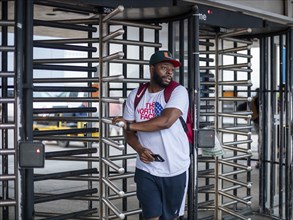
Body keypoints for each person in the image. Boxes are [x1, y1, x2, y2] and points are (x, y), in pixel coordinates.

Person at [112, 50, 190, 220]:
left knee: (170, 217)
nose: (169, 72)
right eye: (164, 68)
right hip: (147, 168)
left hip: (175, 168)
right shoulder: (136, 95)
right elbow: (129, 133)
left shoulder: (178, 91)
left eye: (172, 69)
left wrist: (129, 124)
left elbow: (166, 121)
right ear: (151, 69)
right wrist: (139, 149)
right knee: (151, 216)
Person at [237, 89, 260, 168]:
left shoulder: (254, 100)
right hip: (260, 122)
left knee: (262, 142)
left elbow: (239, 107)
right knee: (264, 142)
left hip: (257, 122)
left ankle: (261, 161)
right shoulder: (264, 99)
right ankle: (263, 161)